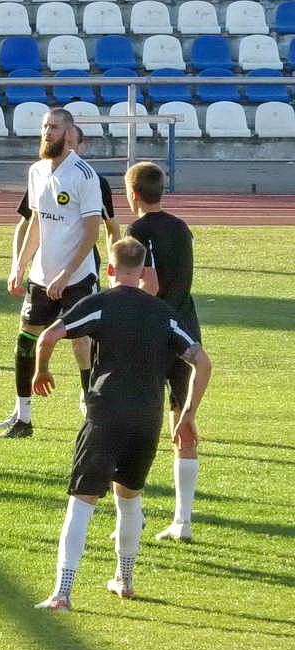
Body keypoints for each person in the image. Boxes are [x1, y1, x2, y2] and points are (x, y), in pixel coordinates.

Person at [31, 237, 211, 610]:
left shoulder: (100, 304)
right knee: (129, 499)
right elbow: (203, 362)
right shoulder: (163, 313)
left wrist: (41, 370)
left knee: (82, 501)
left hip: (106, 413)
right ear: (143, 271)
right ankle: (124, 579)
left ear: (110, 268)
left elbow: (47, 336)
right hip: (147, 417)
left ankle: (63, 591)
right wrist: (188, 414)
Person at [2, 125, 120, 422]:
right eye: (50, 132)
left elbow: (108, 227)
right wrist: (18, 264)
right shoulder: (40, 172)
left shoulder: (91, 178)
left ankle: (88, 399)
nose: (65, 145)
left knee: (81, 338)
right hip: (43, 272)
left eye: (70, 141)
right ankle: (22, 412)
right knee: (26, 336)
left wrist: (114, 265)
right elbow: (31, 222)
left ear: (81, 145)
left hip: (79, 270)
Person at [124, 162, 202, 542]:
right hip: (186, 329)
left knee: (137, 422)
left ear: (133, 194)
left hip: (154, 331)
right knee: (182, 422)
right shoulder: (181, 227)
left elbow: (150, 285)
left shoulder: (137, 231)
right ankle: (182, 521)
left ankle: (132, 515)